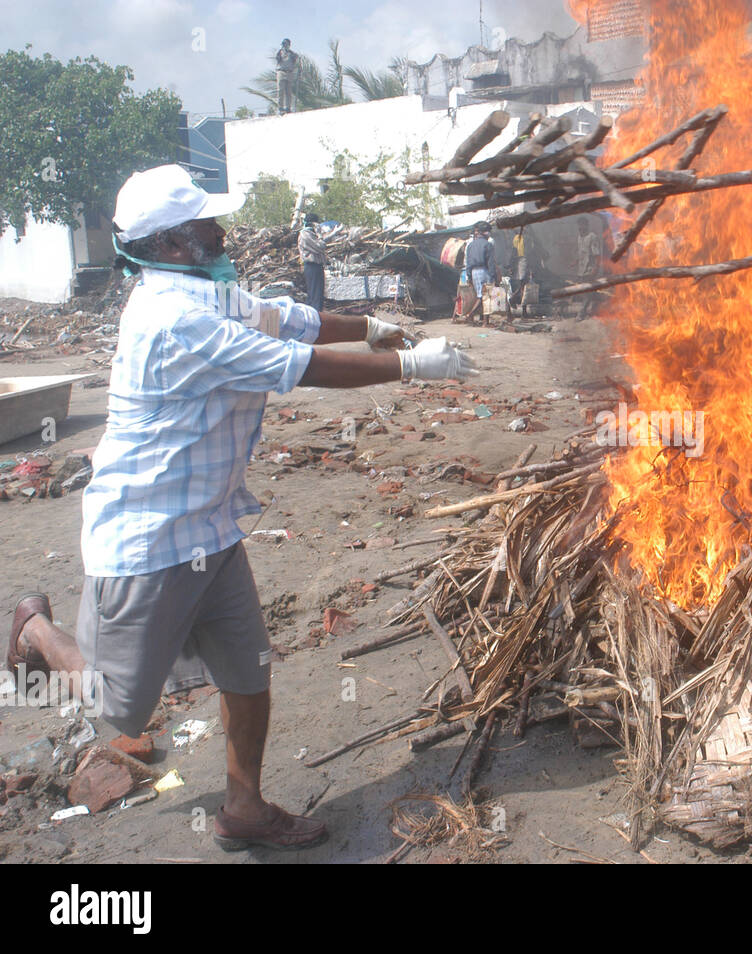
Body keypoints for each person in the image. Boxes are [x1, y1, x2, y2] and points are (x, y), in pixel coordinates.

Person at [7, 164, 475, 851]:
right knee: (118, 704)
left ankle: (244, 806)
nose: (221, 231)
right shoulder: (171, 319)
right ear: (171, 243)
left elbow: (287, 318)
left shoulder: (205, 288)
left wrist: (370, 327)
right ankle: (34, 633)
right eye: (205, 224)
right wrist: (412, 367)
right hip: (147, 539)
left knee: (247, 671)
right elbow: (290, 362)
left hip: (212, 529)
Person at [575, 218, 605, 318]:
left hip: (590, 269)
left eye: (582, 225)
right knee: (588, 291)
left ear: (586, 225)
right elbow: (581, 252)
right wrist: (576, 261)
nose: (580, 228)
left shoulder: (592, 237)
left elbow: (597, 255)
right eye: (579, 226)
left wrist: (595, 268)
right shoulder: (579, 237)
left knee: (587, 291)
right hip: (581, 269)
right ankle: (598, 305)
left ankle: (582, 313)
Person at [298, 213, 327, 312]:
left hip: (317, 266)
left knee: (318, 294)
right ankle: (315, 319)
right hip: (312, 266)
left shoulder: (311, 234)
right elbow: (321, 246)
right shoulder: (305, 234)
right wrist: (320, 234)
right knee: (315, 296)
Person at [275, 39, 300, 115]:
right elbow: (278, 59)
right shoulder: (279, 52)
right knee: (280, 91)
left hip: (289, 73)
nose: (284, 46)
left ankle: (288, 108)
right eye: (283, 44)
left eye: (286, 44)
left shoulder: (292, 54)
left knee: (288, 91)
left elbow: (296, 62)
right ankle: (280, 108)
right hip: (281, 72)